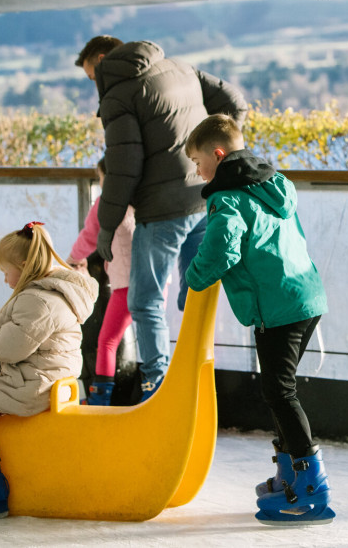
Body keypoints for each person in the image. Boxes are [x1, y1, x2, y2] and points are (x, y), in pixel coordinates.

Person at [76, 35, 248, 401]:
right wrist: (218, 163)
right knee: (194, 293)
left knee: (145, 302)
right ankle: (194, 379)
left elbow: (123, 167)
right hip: (204, 199)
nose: (96, 86)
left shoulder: (119, 95)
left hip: (161, 209)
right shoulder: (179, 67)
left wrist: (107, 225)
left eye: (94, 76)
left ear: (104, 60)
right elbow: (233, 102)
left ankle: (158, 388)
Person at [183, 114, 333, 526]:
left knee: (279, 391)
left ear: (217, 154)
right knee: (278, 390)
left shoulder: (225, 197)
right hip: (305, 295)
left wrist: (193, 278)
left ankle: (309, 485)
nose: (197, 171)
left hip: (278, 307)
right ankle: (290, 473)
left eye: (197, 162)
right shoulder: (274, 183)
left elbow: (221, 250)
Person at [0, 222, 97, 518]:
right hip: (52, 378)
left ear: (25, 266)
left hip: (34, 383)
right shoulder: (57, 294)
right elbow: (25, 336)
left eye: (6, 272)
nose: (4, 280)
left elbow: (10, 349)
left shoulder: (36, 299)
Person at [66, 157, 137, 406]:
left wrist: (72, 259)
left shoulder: (105, 203)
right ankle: (156, 388)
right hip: (155, 281)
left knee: (106, 340)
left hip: (125, 284)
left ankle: (100, 397)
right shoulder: (142, 200)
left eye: (100, 178)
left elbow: (88, 236)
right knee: (150, 336)